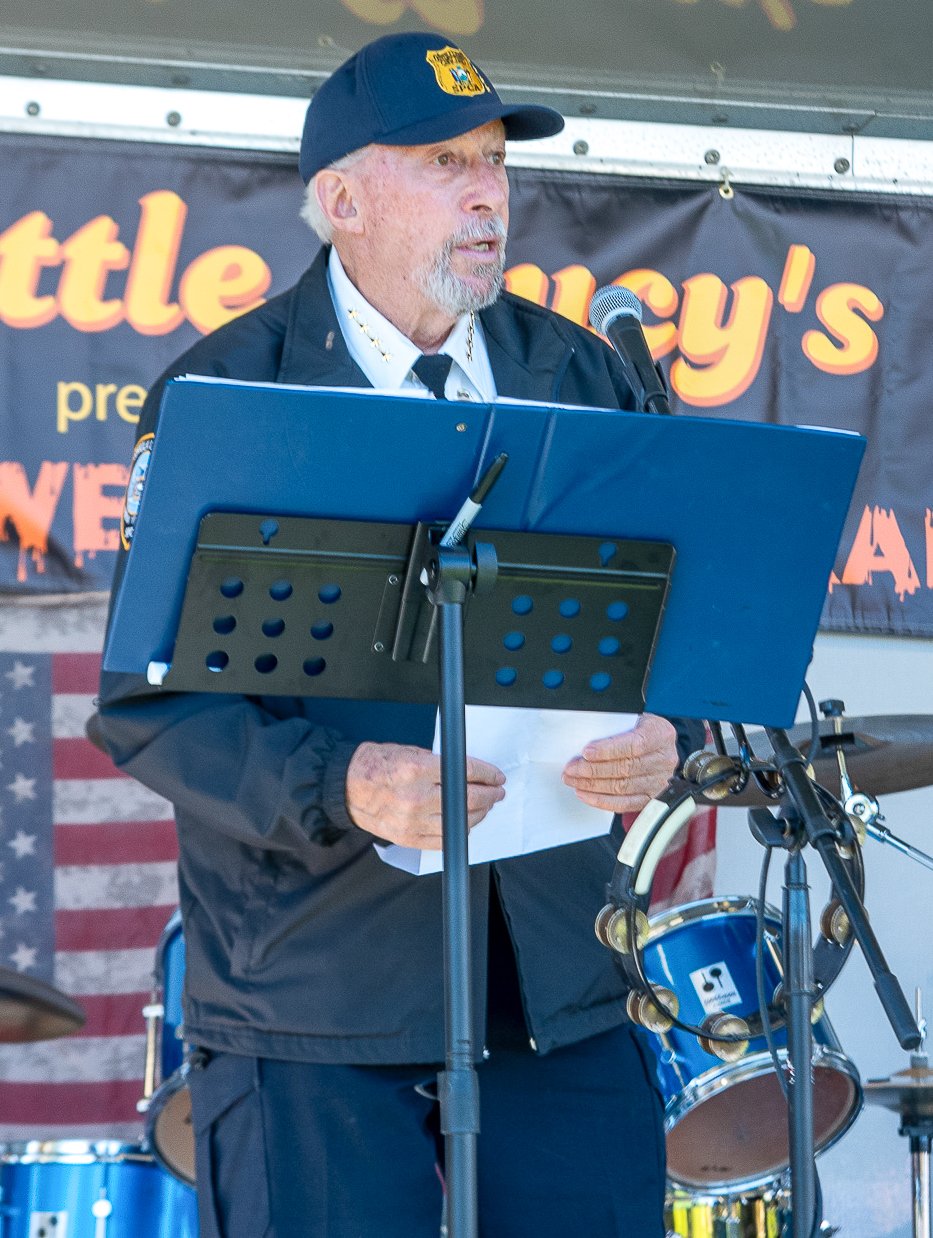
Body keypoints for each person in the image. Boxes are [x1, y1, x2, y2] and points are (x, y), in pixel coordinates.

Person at [98, 32, 705, 1238]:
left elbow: (678, 625)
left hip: (555, 983)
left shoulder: (579, 373)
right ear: (343, 203)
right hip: (310, 995)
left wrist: (664, 729)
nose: (488, 194)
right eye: (445, 164)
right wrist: (347, 783)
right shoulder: (230, 395)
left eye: (495, 162)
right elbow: (152, 708)